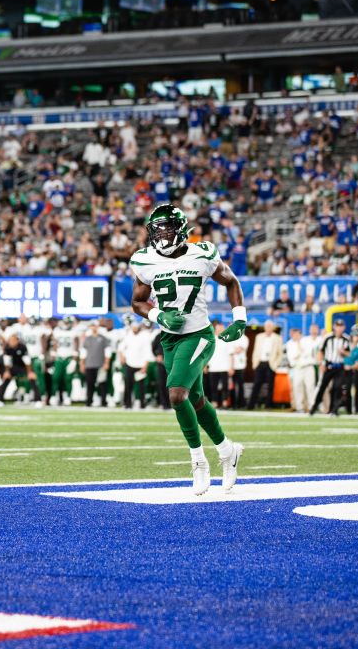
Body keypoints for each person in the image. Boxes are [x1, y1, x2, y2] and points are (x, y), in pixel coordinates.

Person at [129, 204, 246, 496]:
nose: (162, 235)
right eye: (157, 230)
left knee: (176, 393)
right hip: (170, 338)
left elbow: (230, 281)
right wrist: (158, 315)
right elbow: (138, 301)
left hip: (199, 335)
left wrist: (240, 318)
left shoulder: (202, 253)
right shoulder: (144, 260)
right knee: (194, 400)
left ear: (180, 229)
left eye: (167, 229)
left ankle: (198, 461)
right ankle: (227, 450)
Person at [311, 319, 352, 416]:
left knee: (337, 387)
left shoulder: (346, 339)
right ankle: (314, 406)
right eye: (337, 326)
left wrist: (343, 352)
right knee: (322, 386)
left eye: (341, 326)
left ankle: (334, 409)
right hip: (329, 365)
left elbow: (350, 354)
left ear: (344, 327)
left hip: (340, 366)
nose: (339, 328)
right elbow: (321, 351)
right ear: (334, 326)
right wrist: (321, 363)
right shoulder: (328, 338)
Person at [247, 320, 284, 409]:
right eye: (267, 326)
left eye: (270, 326)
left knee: (270, 386)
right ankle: (251, 405)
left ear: (273, 328)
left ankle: (268, 405)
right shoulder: (259, 336)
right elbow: (255, 351)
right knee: (256, 385)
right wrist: (254, 364)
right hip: (260, 363)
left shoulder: (277, 338)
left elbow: (280, 353)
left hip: (270, 364)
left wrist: (276, 364)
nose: (268, 328)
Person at [119, 321, 152, 409]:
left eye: (136, 327)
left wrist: (145, 366)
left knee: (141, 387)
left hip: (140, 365)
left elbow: (147, 352)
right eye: (133, 327)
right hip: (129, 364)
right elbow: (120, 348)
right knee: (128, 385)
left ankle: (142, 404)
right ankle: (127, 404)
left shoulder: (144, 337)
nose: (134, 329)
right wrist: (122, 357)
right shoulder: (128, 336)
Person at [285, 327, 317, 414]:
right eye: (294, 334)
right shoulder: (289, 344)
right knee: (297, 387)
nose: (296, 336)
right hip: (297, 368)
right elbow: (292, 358)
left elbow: (308, 353)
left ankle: (311, 407)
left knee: (310, 387)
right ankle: (300, 408)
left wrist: (300, 346)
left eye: (298, 334)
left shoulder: (307, 341)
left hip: (308, 367)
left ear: (300, 334)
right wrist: (299, 352)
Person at [49, 317, 79, 406]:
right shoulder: (57, 331)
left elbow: (76, 346)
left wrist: (74, 360)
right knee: (56, 378)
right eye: (65, 322)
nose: (66, 324)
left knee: (68, 379)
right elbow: (55, 344)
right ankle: (54, 396)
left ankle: (67, 396)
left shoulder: (74, 332)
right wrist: (52, 360)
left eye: (68, 322)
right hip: (59, 358)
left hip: (69, 358)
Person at [80, 320, 108, 407]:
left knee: (102, 384)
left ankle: (103, 401)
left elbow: (107, 351)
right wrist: (82, 363)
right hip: (89, 364)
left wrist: (106, 363)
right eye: (92, 326)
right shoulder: (87, 339)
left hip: (100, 364)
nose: (93, 327)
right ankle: (89, 401)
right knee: (90, 384)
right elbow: (83, 352)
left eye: (95, 326)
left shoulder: (103, 338)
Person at [206, 320, 232, 408]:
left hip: (224, 367)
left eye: (222, 328)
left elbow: (230, 354)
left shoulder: (227, 339)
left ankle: (225, 403)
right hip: (213, 367)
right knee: (213, 387)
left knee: (225, 387)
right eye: (219, 328)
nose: (221, 330)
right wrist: (204, 365)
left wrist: (231, 367)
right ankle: (214, 403)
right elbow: (206, 354)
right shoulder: (210, 339)